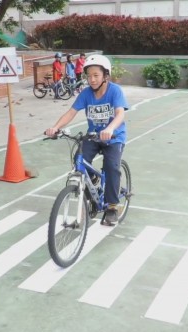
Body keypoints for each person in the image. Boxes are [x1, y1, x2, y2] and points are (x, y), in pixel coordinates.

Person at [45, 55, 129, 225]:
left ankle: (112, 207)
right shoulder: (86, 93)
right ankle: (90, 187)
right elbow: (71, 112)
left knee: (111, 167)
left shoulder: (115, 91)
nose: (92, 79)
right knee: (79, 160)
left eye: (96, 75)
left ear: (105, 75)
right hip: (93, 136)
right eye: (89, 76)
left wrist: (110, 128)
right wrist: (56, 127)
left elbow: (120, 113)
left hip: (113, 137)